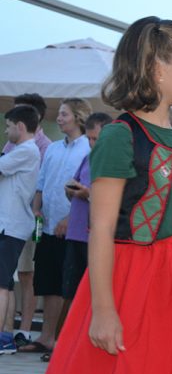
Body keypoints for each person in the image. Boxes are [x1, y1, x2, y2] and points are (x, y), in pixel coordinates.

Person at [35, 16, 172, 374]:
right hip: (133, 279)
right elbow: (100, 229)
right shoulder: (121, 135)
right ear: (157, 68)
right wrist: (104, 308)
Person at [20, 97, 92, 354]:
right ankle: (46, 336)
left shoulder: (88, 149)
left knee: (66, 283)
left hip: (70, 227)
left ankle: (61, 338)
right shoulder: (53, 148)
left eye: (64, 114)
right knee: (47, 279)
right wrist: (36, 208)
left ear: (78, 117)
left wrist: (69, 219)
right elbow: (42, 181)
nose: (59, 118)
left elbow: (83, 188)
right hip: (46, 223)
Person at [45, 113, 113, 363]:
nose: (94, 143)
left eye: (97, 138)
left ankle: (75, 348)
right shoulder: (88, 158)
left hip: (97, 237)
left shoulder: (115, 162)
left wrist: (87, 194)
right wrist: (71, 191)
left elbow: (113, 201)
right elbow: (79, 190)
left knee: (89, 294)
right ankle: (61, 346)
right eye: (91, 138)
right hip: (76, 232)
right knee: (70, 290)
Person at [2, 93, 51, 348]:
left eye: (12, 121)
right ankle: (9, 332)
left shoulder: (39, 147)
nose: (9, 125)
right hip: (10, 219)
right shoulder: (15, 145)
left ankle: (20, 331)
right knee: (9, 279)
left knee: (22, 276)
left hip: (25, 219)